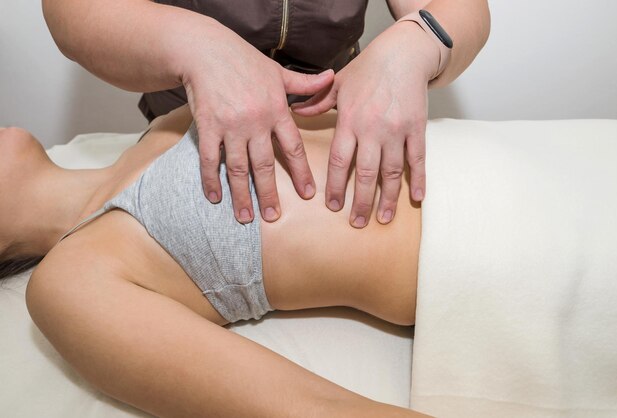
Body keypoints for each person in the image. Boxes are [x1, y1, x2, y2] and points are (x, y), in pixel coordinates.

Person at [0, 106, 424, 417]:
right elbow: (306, 410)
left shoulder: (160, 126)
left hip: (475, 156)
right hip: (460, 248)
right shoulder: (71, 282)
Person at [42, 0, 490, 227]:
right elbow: (73, 10)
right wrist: (195, 44)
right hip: (190, 143)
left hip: (343, 135)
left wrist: (420, 39)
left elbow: (464, 8)